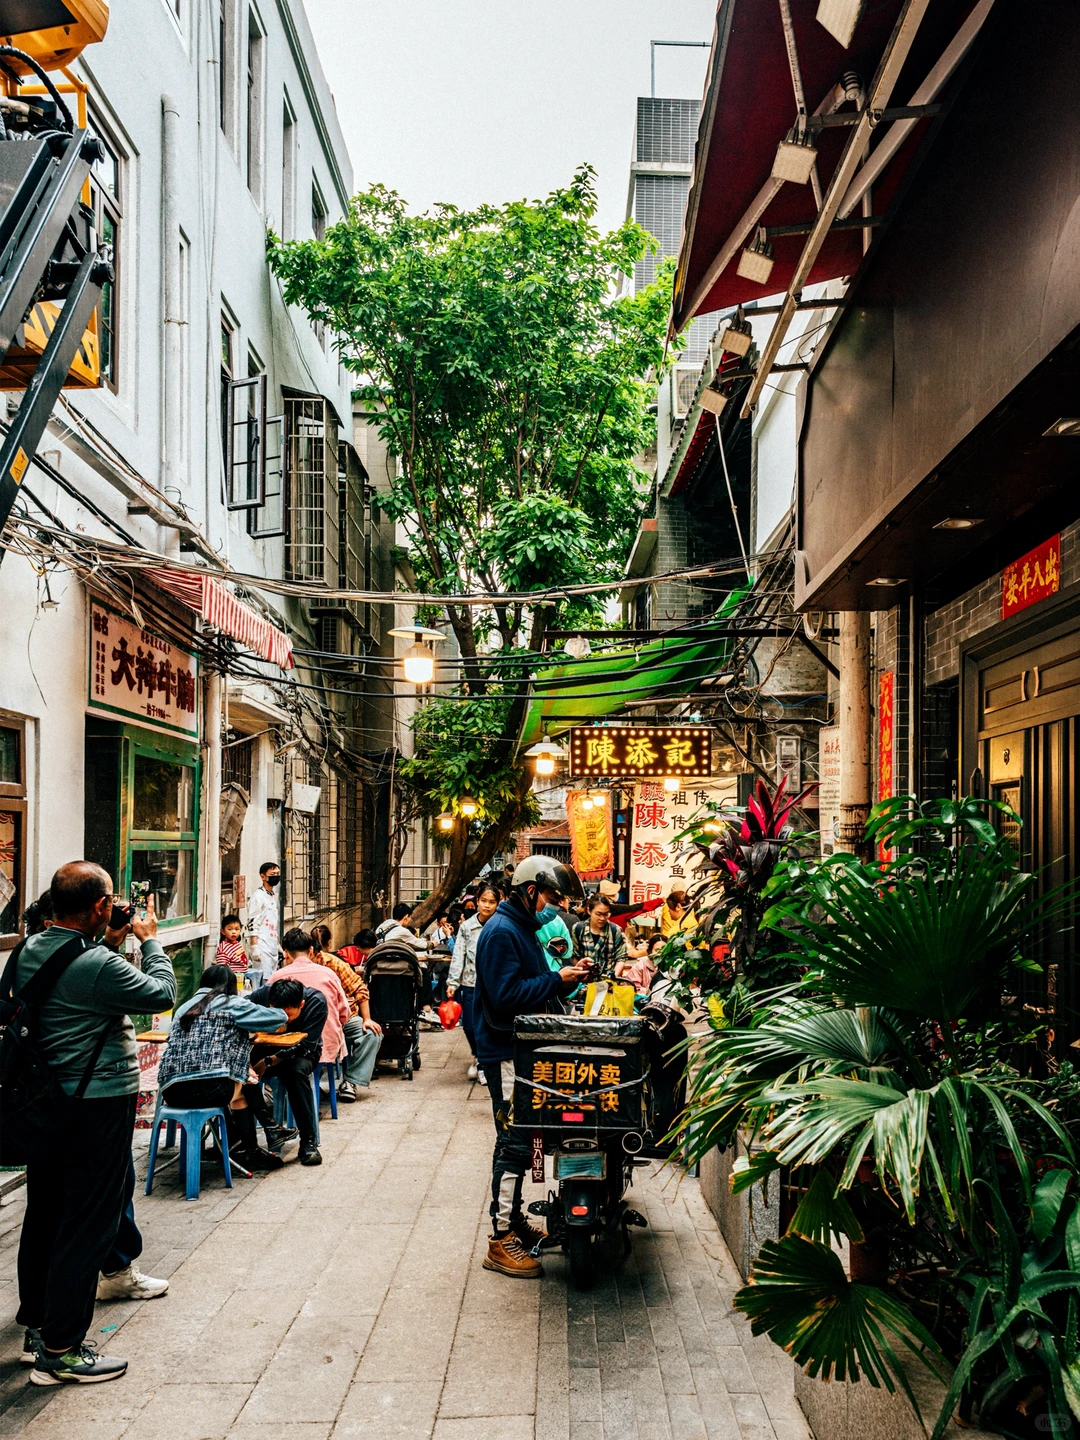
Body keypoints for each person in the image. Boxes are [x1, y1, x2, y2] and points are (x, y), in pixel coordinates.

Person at [12, 863, 176, 1386]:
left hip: (46, 1104)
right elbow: (161, 994)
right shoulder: (96, 965)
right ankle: (62, 1350)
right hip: (95, 1106)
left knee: (44, 1218)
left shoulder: (29, 948)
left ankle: (37, 1330)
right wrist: (150, 943)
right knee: (88, 1222)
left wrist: (106, 942)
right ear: (101, 905)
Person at [473, 856, 591, 1279]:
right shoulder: (502, 931)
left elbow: (534, 984)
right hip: (505, 1051)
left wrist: (567, 977)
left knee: (526, 1137)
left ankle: (516, 1221)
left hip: (525, 1050)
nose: (553, 906)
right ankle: (500, 1238)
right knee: (514, 1142)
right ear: (528, 892)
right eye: (550, 897)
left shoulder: (523, 929)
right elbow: (506, 996)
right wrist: (556, 980)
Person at [156, 964, 289, 1171]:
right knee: (246, 1084)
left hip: (172, 1092)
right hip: (212, 1090)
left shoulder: (183, 1007)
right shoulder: (230, 1003)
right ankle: (251, 1150)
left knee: (240, 1079)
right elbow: (279, 1018)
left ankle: (237, 1142)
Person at [248, 973, 326, 1166]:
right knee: (239, 1071)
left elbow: (308, 1044)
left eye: (288, 1015)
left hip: (303, 1053)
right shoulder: (263, 995)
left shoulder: (316, 1002)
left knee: (295, 1073)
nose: (283, 1020)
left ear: (301, 1005)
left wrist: (270, 1061)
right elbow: (241, 1011)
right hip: (265, 1048)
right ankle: (262, 1131)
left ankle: (308, 1142)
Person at [309, 925, 382, 1101]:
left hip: (343, 1019)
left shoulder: (335, 965)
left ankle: (351, 1081)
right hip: (310, 1024)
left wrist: (367, 1019)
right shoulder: (291, 967)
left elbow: (360, 989)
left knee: (372, 1034)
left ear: (315, 952)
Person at [447, 882, 499, 1083]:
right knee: (469, 1025)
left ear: (498, 903)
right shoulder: (467, 927)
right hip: (470, 983)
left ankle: (485, 1063)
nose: (487, 906)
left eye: (492, 902)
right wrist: (453, 982)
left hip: (495, 985)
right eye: (483, 901)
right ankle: (478, 1056)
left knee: (489, 1025)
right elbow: (458, 954)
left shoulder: (500, 925)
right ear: (477, 902)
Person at [572, 894, 627, 974]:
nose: (602, 918)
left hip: (609, 983)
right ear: (589, 911)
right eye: (598, 914)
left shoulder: (615, 930)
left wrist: (611, 978)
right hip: (584, 982)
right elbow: (574, 955)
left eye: (606, 914)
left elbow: (621, 958)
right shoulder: (578, 929)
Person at [246, 862, 281, 985]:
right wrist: (254, 946)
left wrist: (277, 944)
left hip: (272, 944)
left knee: (273, 979)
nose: (276, 876)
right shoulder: (258, 896)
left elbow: (272, 923)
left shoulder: (271, 896)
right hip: (262, 945)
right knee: (263, 980)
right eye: (272, 874)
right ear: (263, 876)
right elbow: (253, 921)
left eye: (277, 873)